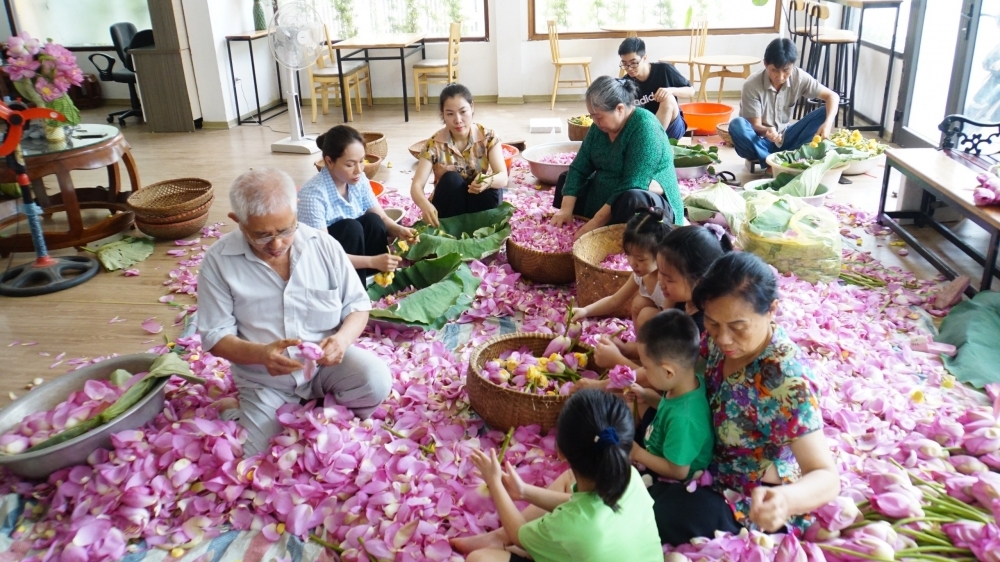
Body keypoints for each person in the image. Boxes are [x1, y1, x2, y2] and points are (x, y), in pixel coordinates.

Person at [647, 252, 839, 545]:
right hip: (701, 454)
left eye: (737, 327)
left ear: (771, 310)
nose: (723, 339)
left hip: (742, 494)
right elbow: (678, 372)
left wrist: (784, 501)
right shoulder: (719, 339)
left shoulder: (788, 381)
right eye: (712, 324)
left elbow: (825, 475)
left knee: (655, 511)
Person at [198, 169, 393, 456]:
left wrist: (340, 341)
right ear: (237, 222)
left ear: (295, 211)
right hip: (264, 378)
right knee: (258, 453)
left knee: (375, 380)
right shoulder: (218, 262)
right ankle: (239, 411)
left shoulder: (323, 245)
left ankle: (310, 410)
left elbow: (358, 306)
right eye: (261, 235)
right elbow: (215, 336)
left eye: (286, 229)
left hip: (325, 366)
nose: (276, 245)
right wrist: (261, 355)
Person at [457, 389, 663, 562]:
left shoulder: (569, 527)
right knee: (570, 481)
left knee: (479, 559)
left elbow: (519, 535)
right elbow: (583, 507)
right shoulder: (631, 477)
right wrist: (524, 492)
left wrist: (494, 483)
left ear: (560, 451)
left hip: (581, 539)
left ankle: (506, 540)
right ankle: (498, 537)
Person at [551, 76, 683, 241]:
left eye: (598, 116)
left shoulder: (646, 127)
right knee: (567, 180)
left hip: (646, 196)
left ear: (620, 109)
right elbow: (580, 166)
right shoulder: (599, 127)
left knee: (630, 198)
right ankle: (582, 217)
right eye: (592, 116)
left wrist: (594, 224)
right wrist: (565, 209)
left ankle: (616, 231)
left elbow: (633, 182)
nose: (595, 122)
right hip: (610, 186)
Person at [593, 225, 731, 372]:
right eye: (660, 271)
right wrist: (625, 349)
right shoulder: (682, 301)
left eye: (669, 279)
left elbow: (667, 381)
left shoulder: (700, 327)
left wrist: (618, 361)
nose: (660, 282)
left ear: (699, 281)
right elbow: (660, 350)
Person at [298, 125, 418, 282]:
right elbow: (323, 253)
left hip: (353, 257)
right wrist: (372, 261)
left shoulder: (359, 180)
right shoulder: (313, 195)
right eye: (350, 164)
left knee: (373, 221)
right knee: (350, 227)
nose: (359, 170)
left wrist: (400, 230)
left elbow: (381, 218)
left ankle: (377, 280)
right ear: (329, 161)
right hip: (325, 267)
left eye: (361, 161)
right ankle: (356, 290)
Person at [625, 309, 713, 484]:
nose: (645, 372)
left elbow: (678, 471)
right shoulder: (685, 384)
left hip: (670, 476)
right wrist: (647, 396)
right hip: (658, 443)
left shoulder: (684, 419)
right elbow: (672, 408)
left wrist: (637, 454)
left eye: (646, 367)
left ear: (668, 372)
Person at [728, 38, 841, 165]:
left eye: (786, 70)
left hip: (786, 139)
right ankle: (771, 163)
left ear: (793, 65)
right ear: (765, 64)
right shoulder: (752, 85)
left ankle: (775, 159)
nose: (780, 77)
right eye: (774, 70)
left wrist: (828, 123)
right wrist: (767, 131)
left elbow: (832, 96)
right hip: (759, 142)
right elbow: (755, 126)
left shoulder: (799, 77)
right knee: (736, 124)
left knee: (825, 113)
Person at [410, 83, 509, 227]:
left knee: (491, 188)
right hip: (449, 208)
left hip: (478, 203)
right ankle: (452, 230)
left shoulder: (488, 136)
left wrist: (488, 181)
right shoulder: (433, 144)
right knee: (451, 179)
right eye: (450, 114)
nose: (458, 120)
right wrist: (426, 206)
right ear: (443, 114)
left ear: (472, 107)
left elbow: (503, 177)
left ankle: (477, 228)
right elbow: (417, 185)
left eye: (463, 111)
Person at [571, 208, 673, 331]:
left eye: (640, 259)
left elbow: (673, 319)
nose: (632, 263)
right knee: (639, 303)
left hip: (678, 328)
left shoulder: (668, 281)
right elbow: (615, 300)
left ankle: (644, 348)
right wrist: (585, 310)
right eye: (628, 254)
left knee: (646, 313)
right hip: (662, 320)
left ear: (661, 255)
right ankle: (640, 343)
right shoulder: (641, 276)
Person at [619, 37, 695, 139]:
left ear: (644, 58)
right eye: (625, 64)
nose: (629, 68)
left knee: (668, 98)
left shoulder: (664, 70)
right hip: (644, 130)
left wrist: (670, 90)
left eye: (634, 63)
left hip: (672, 128)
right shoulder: (626, 82)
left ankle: (652, 142)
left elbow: (691, 91)